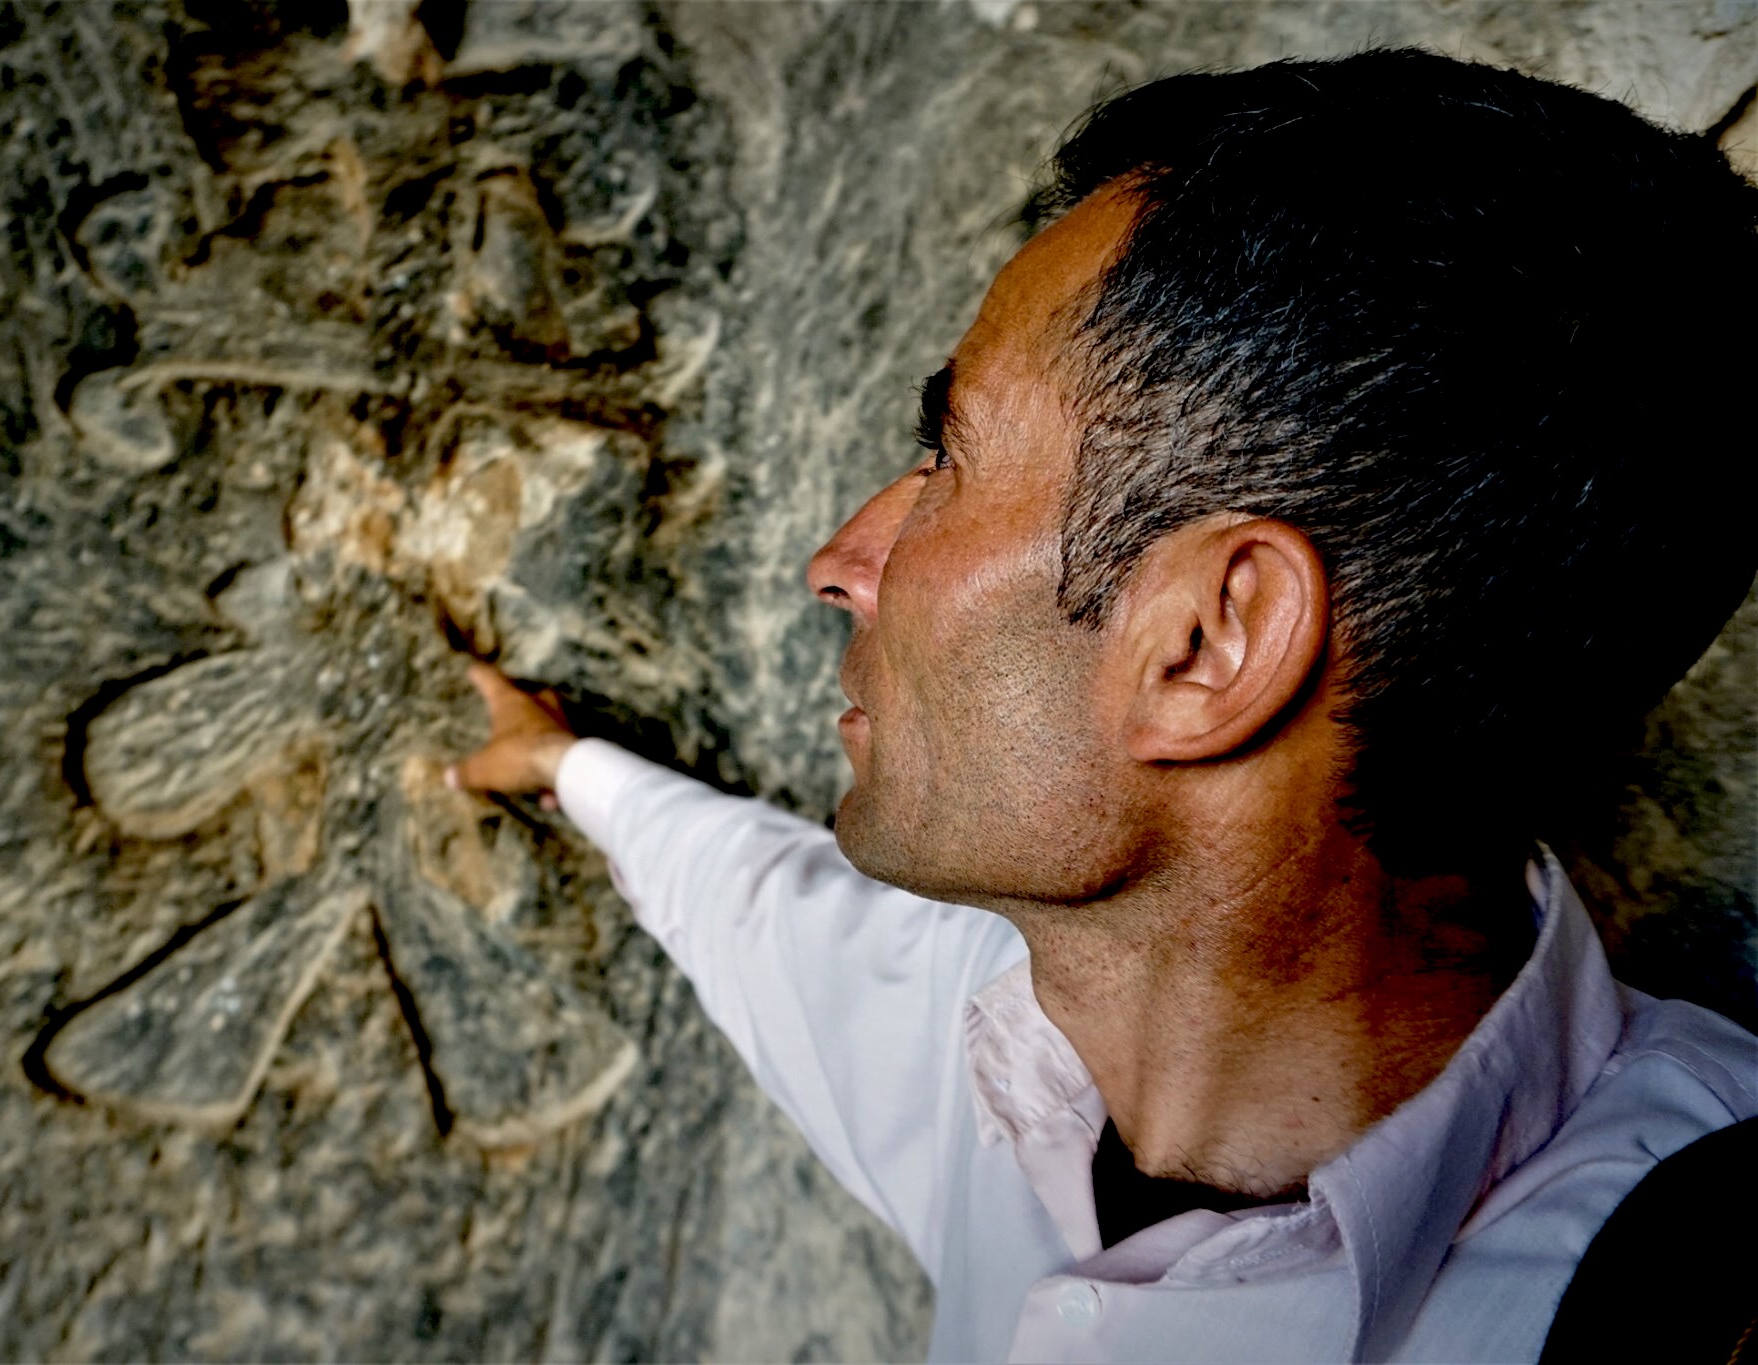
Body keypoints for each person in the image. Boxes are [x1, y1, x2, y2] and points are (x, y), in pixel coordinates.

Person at [446, 49, 1758, 1363]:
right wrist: (563, 764)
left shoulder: (1677, 1291)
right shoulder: (1008, 1046)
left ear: (1205, 642)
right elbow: (767, 915)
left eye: (947, 457)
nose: (839, 565)